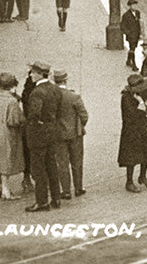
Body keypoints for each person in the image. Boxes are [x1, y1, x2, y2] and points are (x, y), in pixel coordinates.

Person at [24, 61, 62, 213]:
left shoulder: (37, 92)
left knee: (38, 169)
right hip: (52, 132)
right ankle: (56, 197)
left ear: (40, 74)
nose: (31, 75)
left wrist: (32, 123)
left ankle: (41, 202)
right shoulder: (55, 89)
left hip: (38, 135)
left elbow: (33, 113)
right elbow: (58, 109)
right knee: (52, 165)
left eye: (33, 72)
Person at [0, 72, 25, 200]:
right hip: (5, 133)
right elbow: (14, 121)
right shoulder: (12, 101)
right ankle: (6, 190)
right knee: (6, 161)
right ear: (12, 85)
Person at [53, 70, 88, 199]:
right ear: (65, 81)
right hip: (75, 134)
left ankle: (66, 191)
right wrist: (80, 126)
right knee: (77, 161)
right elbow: (84, 115)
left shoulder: (53, 97)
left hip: (59, 135)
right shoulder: (74, 97)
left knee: (62, 163)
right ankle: (78, 188)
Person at [119, 73, 147, 192]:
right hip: (132, 131)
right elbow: (132, 116)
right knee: (131, 157)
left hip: (143, 128)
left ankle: (142, 176)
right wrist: (141, 105)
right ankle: (129, 182)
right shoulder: (126, 98)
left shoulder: (138, 94)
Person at [121, 0, 143, 69]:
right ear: (130, 6)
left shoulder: (137, 13)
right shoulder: (126, 15)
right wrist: (128, 33)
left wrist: (140, 33)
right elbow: (122, 26)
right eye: (133, 5)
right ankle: (134, 64)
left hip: (136, 34)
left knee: (132, 48)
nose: (135, 7)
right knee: (132, 49)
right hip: (131, 36)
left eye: (135, 5)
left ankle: (128, 60)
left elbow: (138, 23)